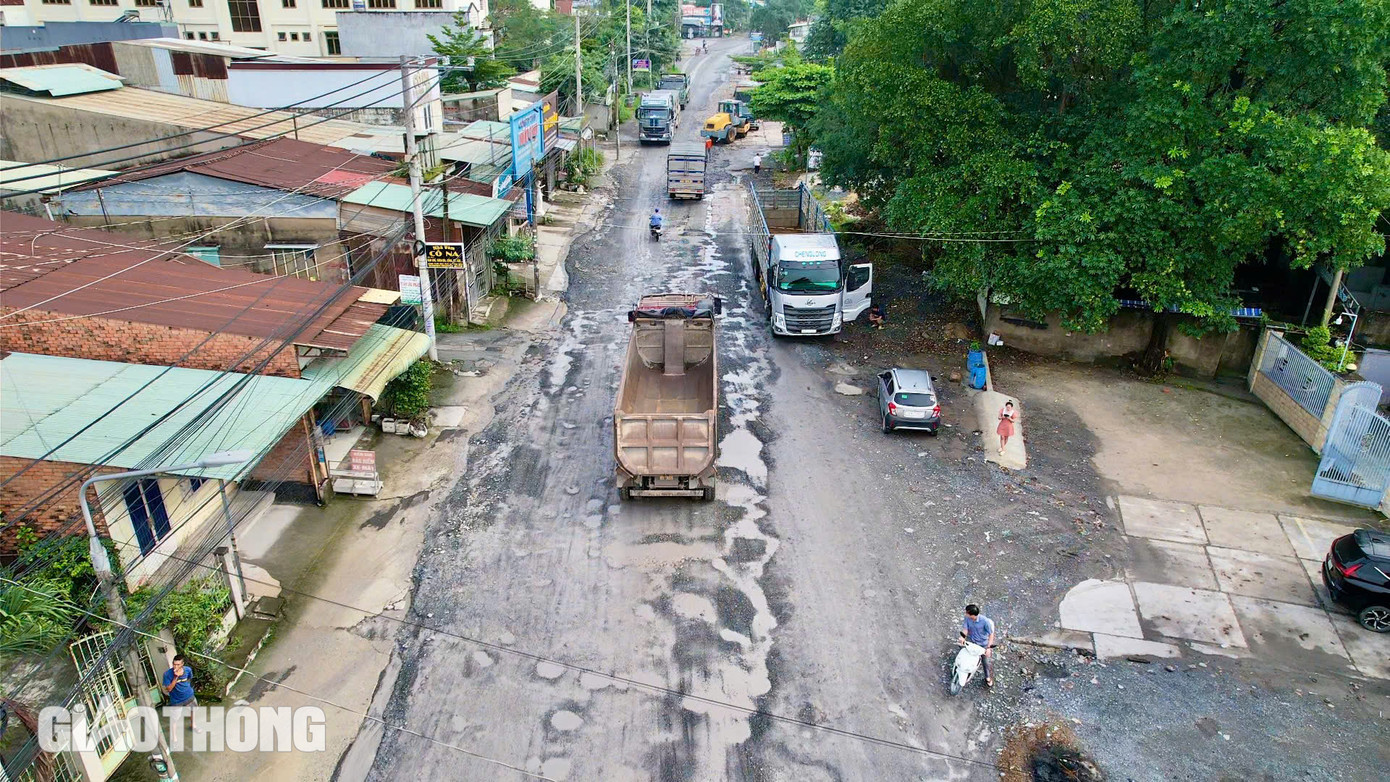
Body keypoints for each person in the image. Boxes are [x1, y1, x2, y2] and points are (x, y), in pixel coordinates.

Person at [959, 604, 996, 686]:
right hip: (971, 640)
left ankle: (987, 677)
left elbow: (991, 635)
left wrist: (989, 648)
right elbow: (965, 629)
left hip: (982, 644)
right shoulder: (967, 618)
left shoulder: (985, 621)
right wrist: (962, 637)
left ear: (972, 615)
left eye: (967, 613)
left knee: (985, 661)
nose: (965, 614)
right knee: (962, 650)